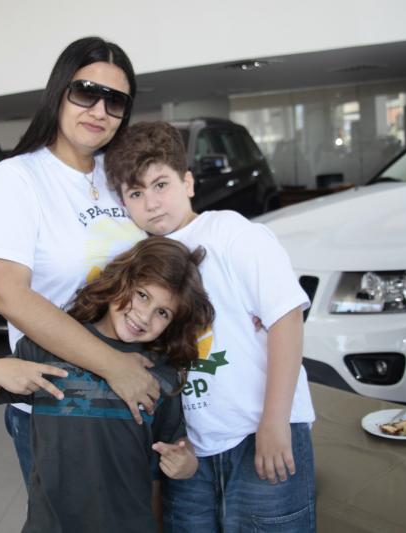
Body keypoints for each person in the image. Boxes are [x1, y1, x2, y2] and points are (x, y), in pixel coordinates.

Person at [105, 121, 316, 531]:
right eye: (136, 193)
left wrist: (274, 422)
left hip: (259, 429)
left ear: (187, 182)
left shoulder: (230, 232)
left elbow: (287, 318)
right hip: (190, 448)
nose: (151, 203)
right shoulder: (141, 257)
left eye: (161, 184)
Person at [0, 37, 159, 485]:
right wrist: (113, 365)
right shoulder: (18, 177)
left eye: (115, 101)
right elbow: (8, 295)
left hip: (135, 394)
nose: (99, 111)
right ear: (59, 92)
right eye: (86, 92)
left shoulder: (120, 175)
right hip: (63, 404)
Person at [0, 237, 215, 533]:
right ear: (120, 280)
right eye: (142, 295)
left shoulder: (161, 373)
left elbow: (175, 439)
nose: (144, 316)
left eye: (163, 312)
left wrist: (186, 462)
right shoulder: (49, 347)